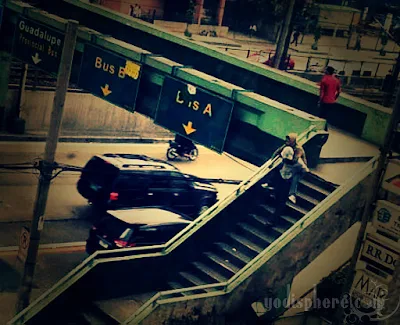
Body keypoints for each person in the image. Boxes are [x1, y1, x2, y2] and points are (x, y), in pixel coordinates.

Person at [261, 146, 308, 223]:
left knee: (281, 201)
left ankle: (273, 220)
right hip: (281, 178)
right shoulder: (283, 160)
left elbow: (305, 170)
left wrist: (296, 175)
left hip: (287, 181)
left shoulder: (298, 163)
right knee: (277, 195)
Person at [271, 133, 308, 204]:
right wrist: (272, 161)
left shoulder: (298, 149)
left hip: (298, 167)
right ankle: (271, 183)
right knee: (278, 169)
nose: (286, 142)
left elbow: (295, 160)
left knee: (295, 177)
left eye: (288, 140)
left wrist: (285, 159)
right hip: (290, 164)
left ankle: (292, 194)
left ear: (293, 141)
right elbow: (277, 152)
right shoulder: (287, 146)